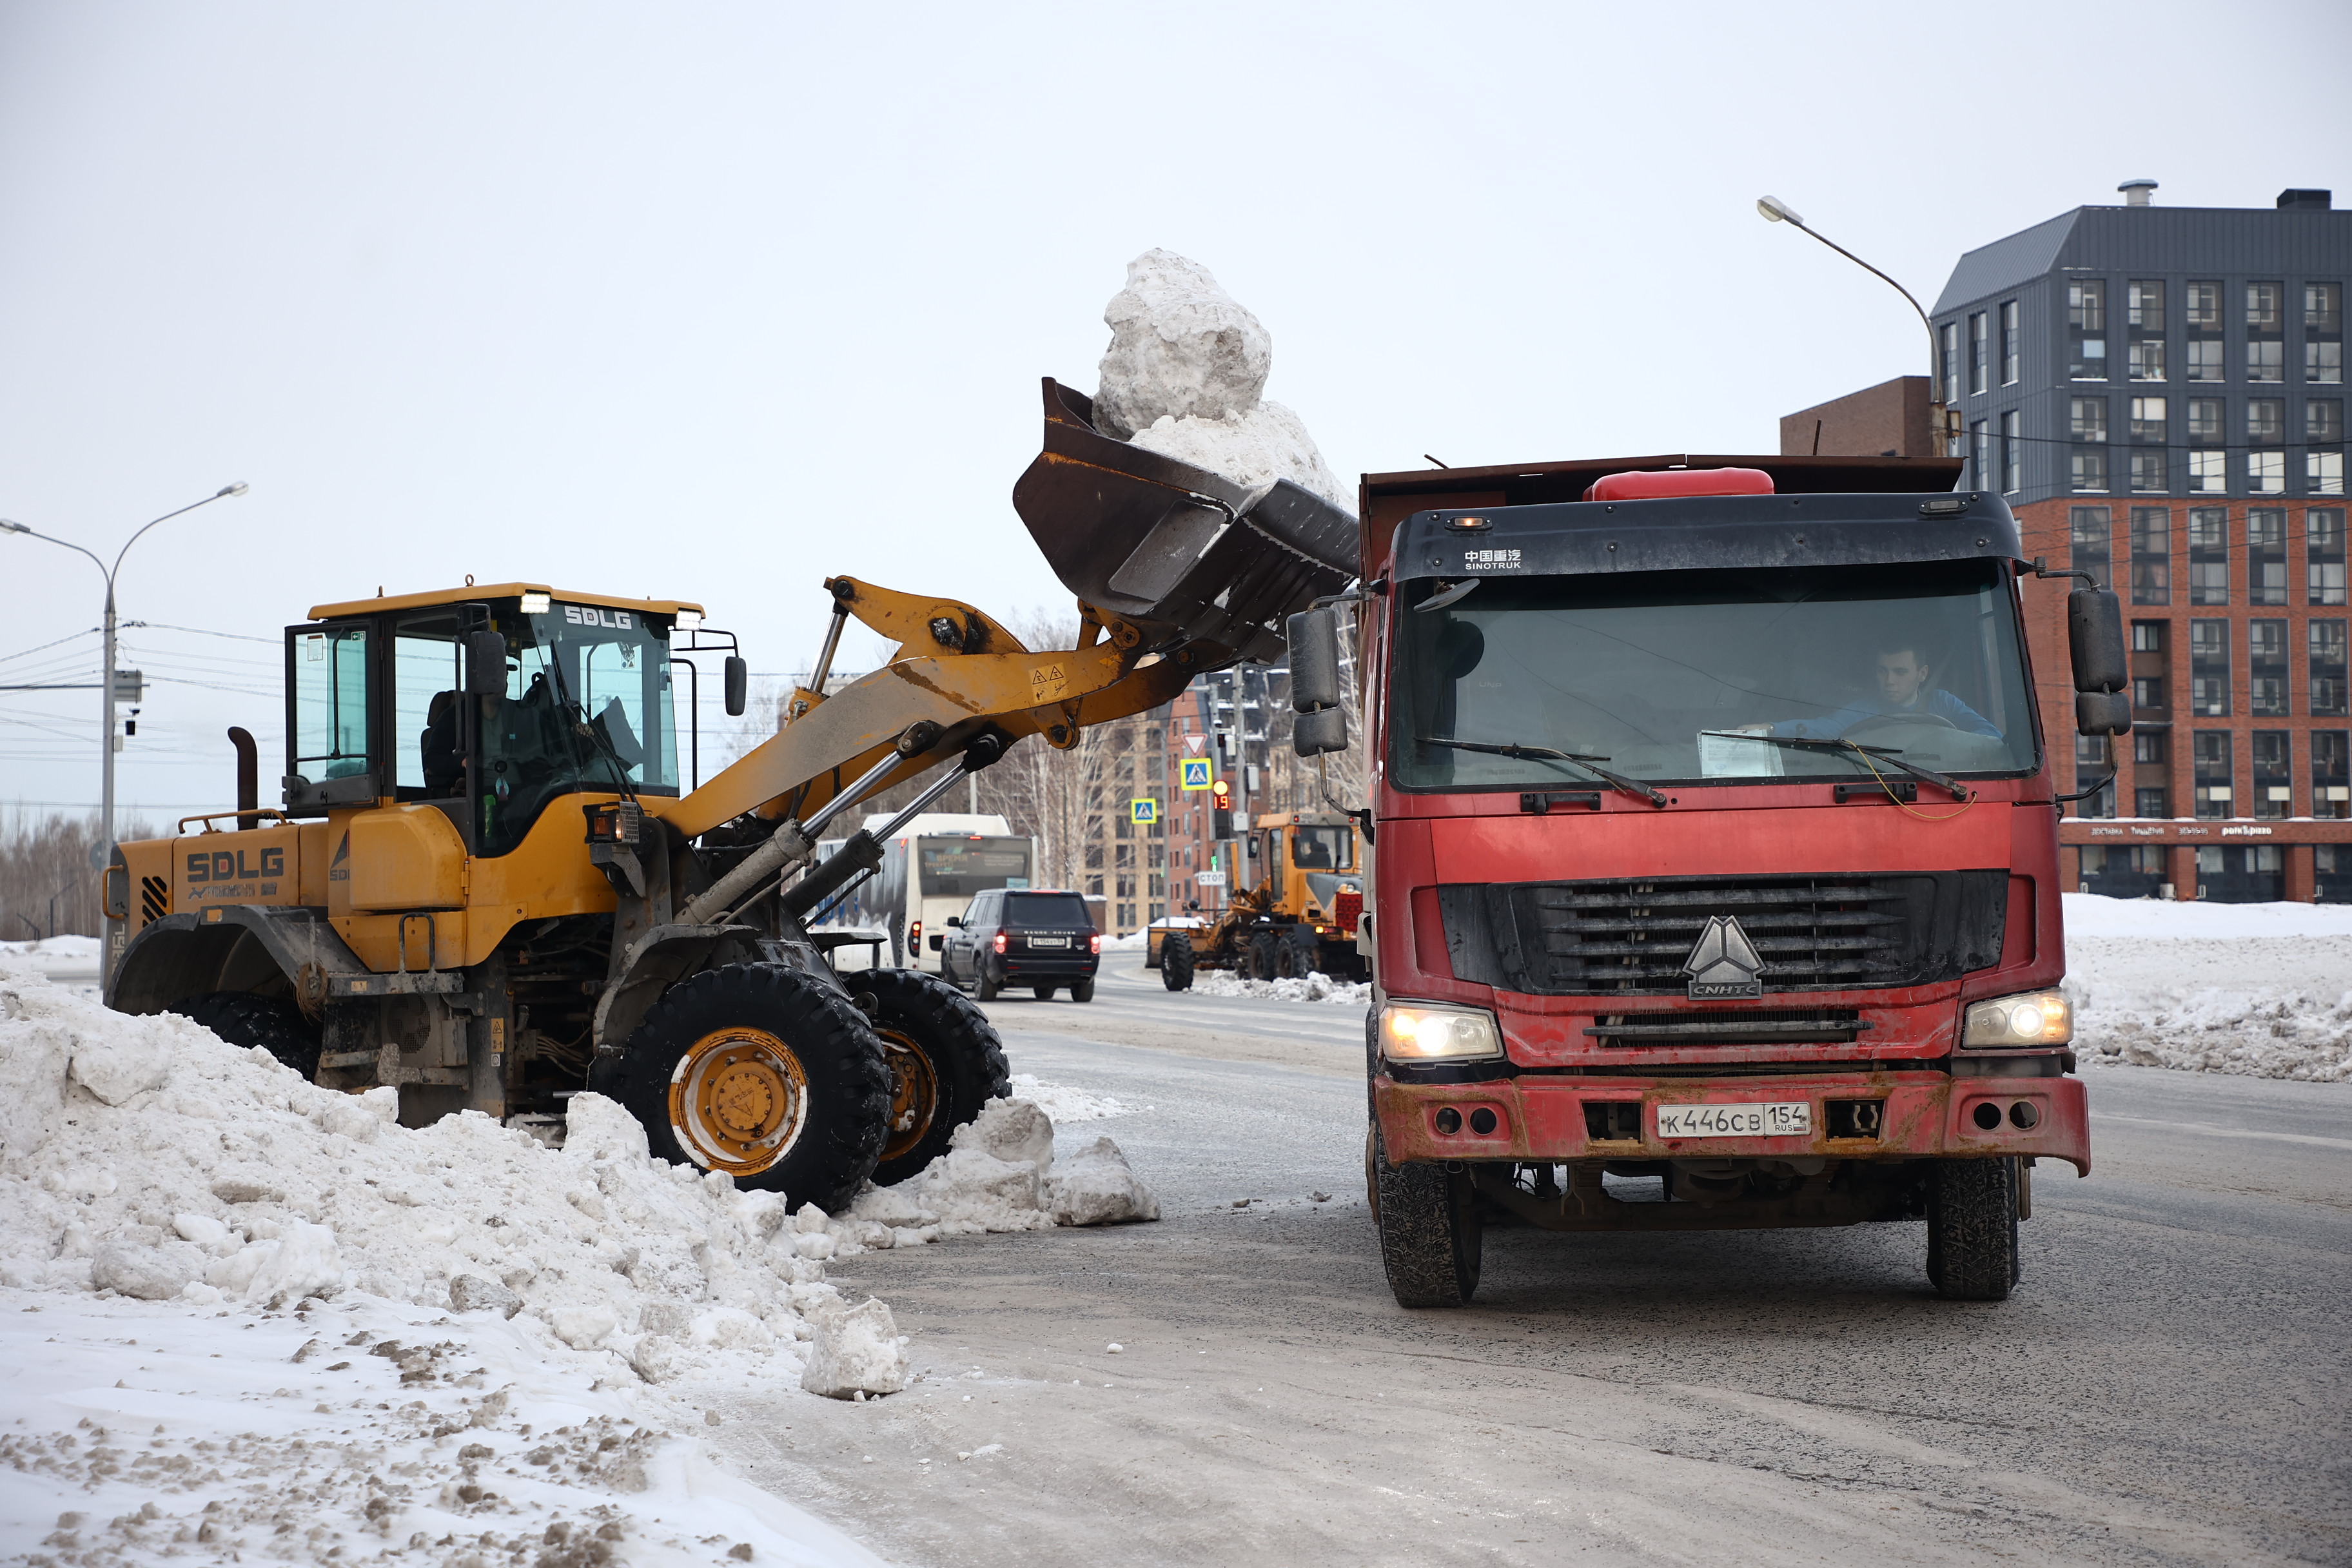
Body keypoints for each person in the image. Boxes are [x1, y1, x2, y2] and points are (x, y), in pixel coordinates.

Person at [1770, 639, 2000, 740]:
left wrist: (1948, 743)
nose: (1889, 680)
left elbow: (1990, 737)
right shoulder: (1864, 708)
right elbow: (1823, 728)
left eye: (1900, 672)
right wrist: (1770, 729)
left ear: (1922, 674)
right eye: (1882, 671)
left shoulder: (1943, 703)